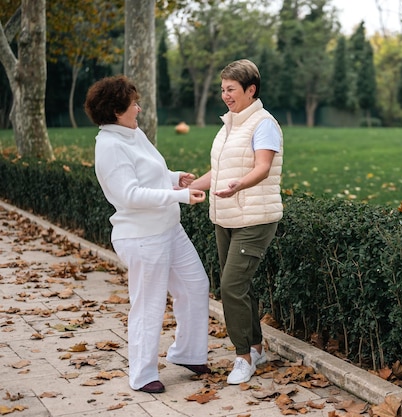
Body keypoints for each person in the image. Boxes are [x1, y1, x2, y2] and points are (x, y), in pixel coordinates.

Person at [84, 75, 212, 394]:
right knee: (148, 304)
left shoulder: (132, 133)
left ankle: (188, 353)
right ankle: (142, 374)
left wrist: (175, 177)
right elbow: (129, 194)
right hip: (142, 237)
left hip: (168, 228)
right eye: (133, 104)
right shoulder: (109, 146)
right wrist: (179, 196)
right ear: (116, 111)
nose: (139, 108)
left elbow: (149, 172)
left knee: (196, 285)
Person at [190, 59, 283, 384]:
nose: (225, 95)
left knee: (230, 286)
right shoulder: (230, 124)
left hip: (255, 218)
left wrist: (239, 185)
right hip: (226, 215)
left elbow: (262, 167)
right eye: (222, 89)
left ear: (250, 89)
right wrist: (189, 186)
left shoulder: (263, 124)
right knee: (239, 286)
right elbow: (221, 173)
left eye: (230, 89)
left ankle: (243, 357)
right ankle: (256, 347)